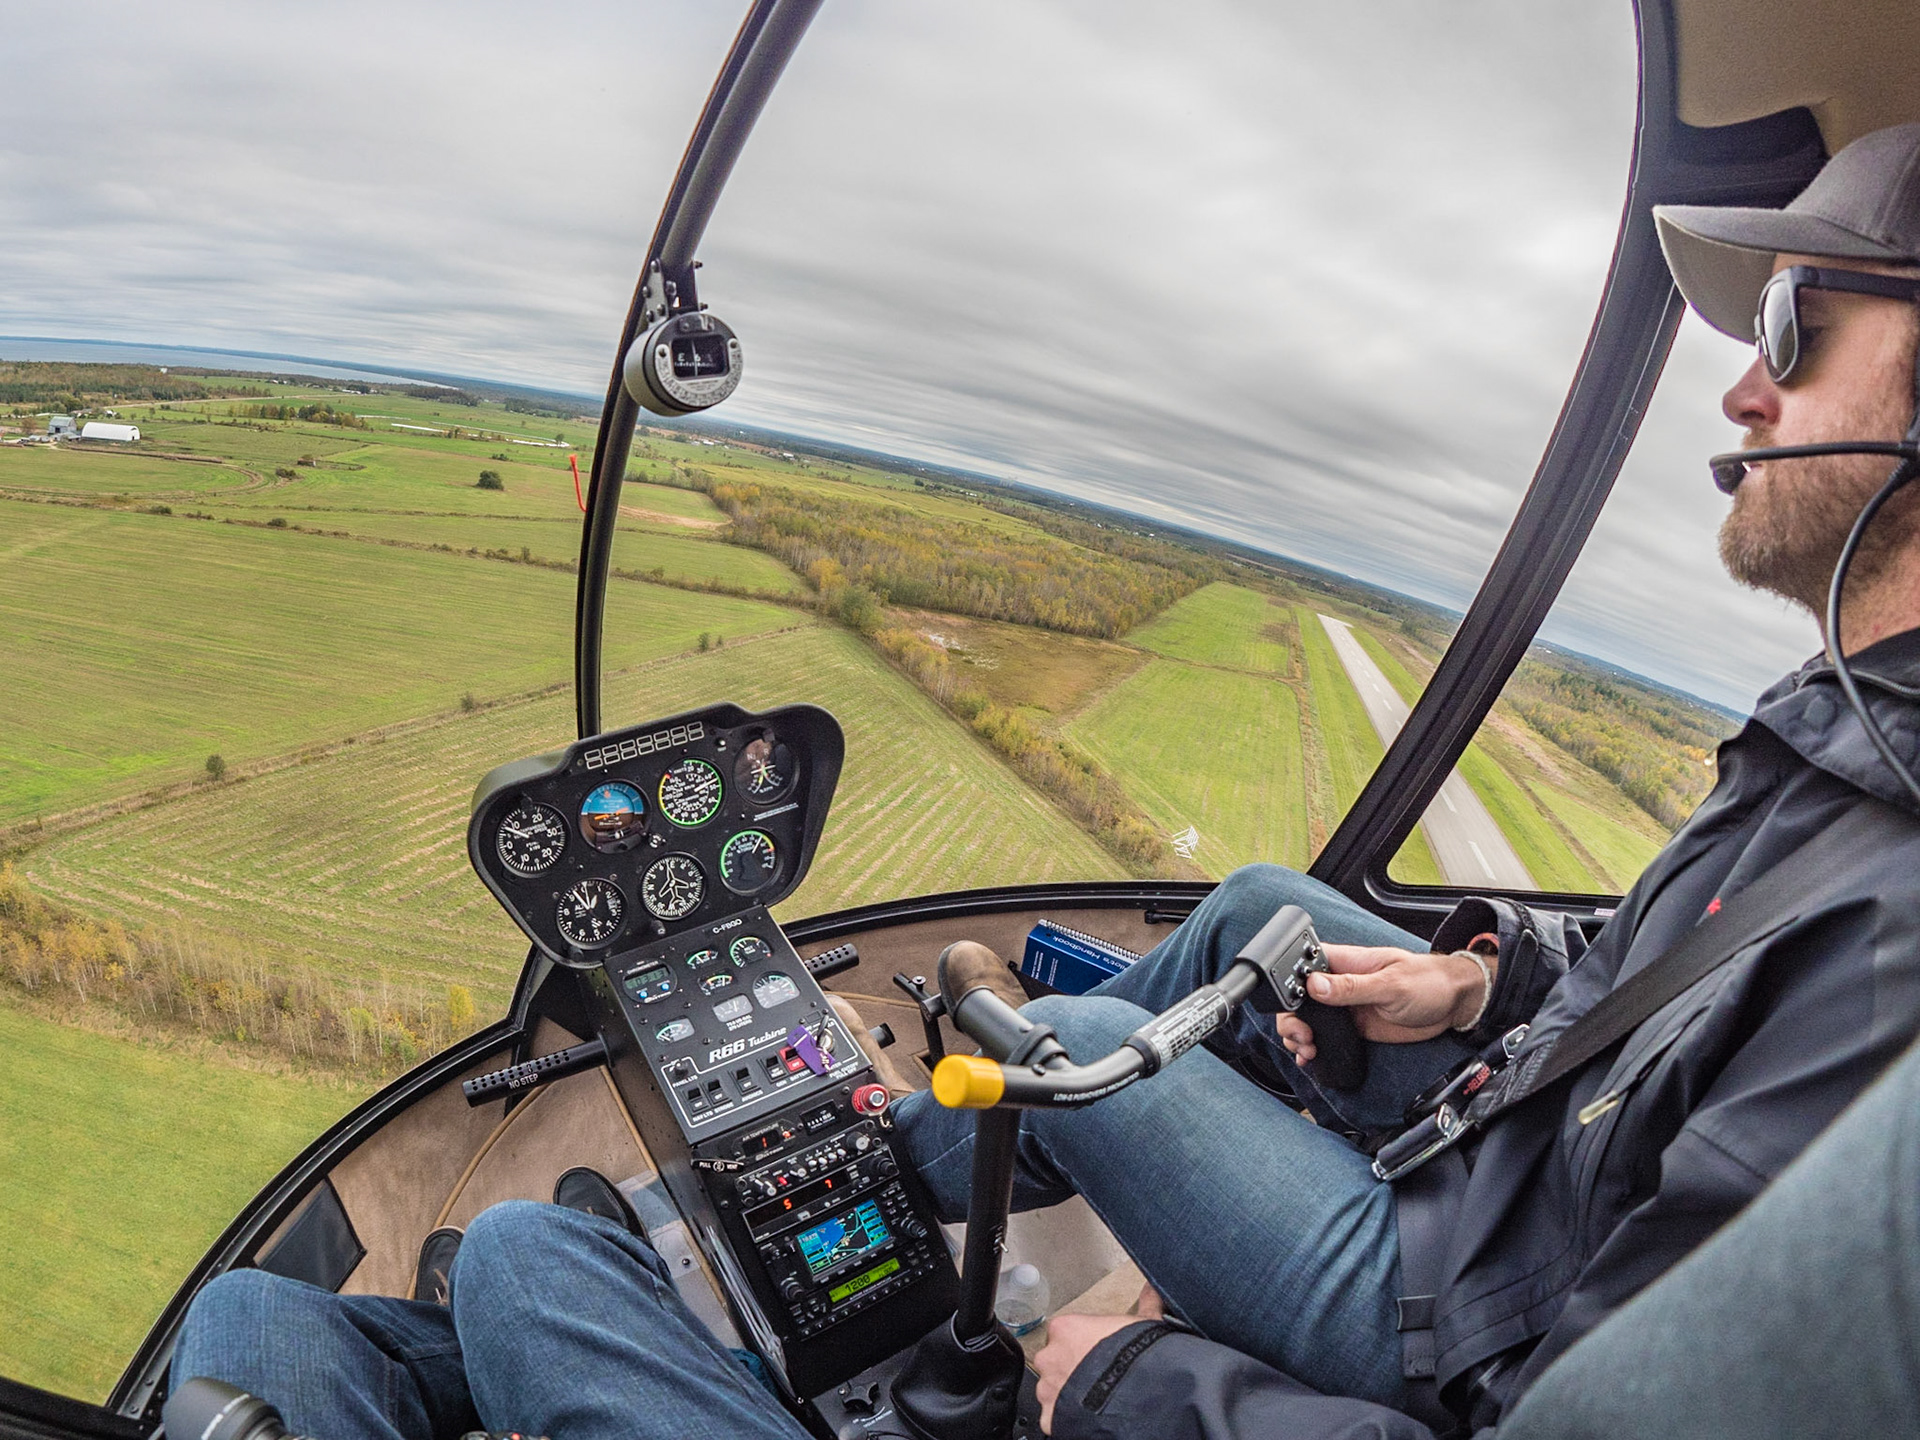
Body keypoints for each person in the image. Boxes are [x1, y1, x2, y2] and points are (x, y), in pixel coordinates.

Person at [173, 123, 1920, 1440]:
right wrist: (1487, 976)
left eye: (1796, 317)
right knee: (1251, 915)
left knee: (511, 1267)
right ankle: (862, 1186)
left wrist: (1141, 1384)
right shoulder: (1855, 734)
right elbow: (1684, 964)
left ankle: (762, 1246)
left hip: (1465, 1296)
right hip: (1521, 1174)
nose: (1747, 384)